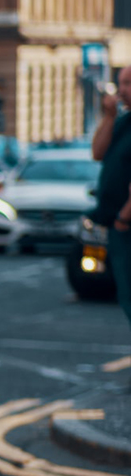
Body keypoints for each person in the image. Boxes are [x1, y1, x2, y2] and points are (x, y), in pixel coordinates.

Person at [91, 66, 131, 328]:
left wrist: (124, 219)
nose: (121, 91)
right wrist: (108, 116)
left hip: (127, 226)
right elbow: (97, 152)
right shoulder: (123, 121)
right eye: (120, 84)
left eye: (128, 84)